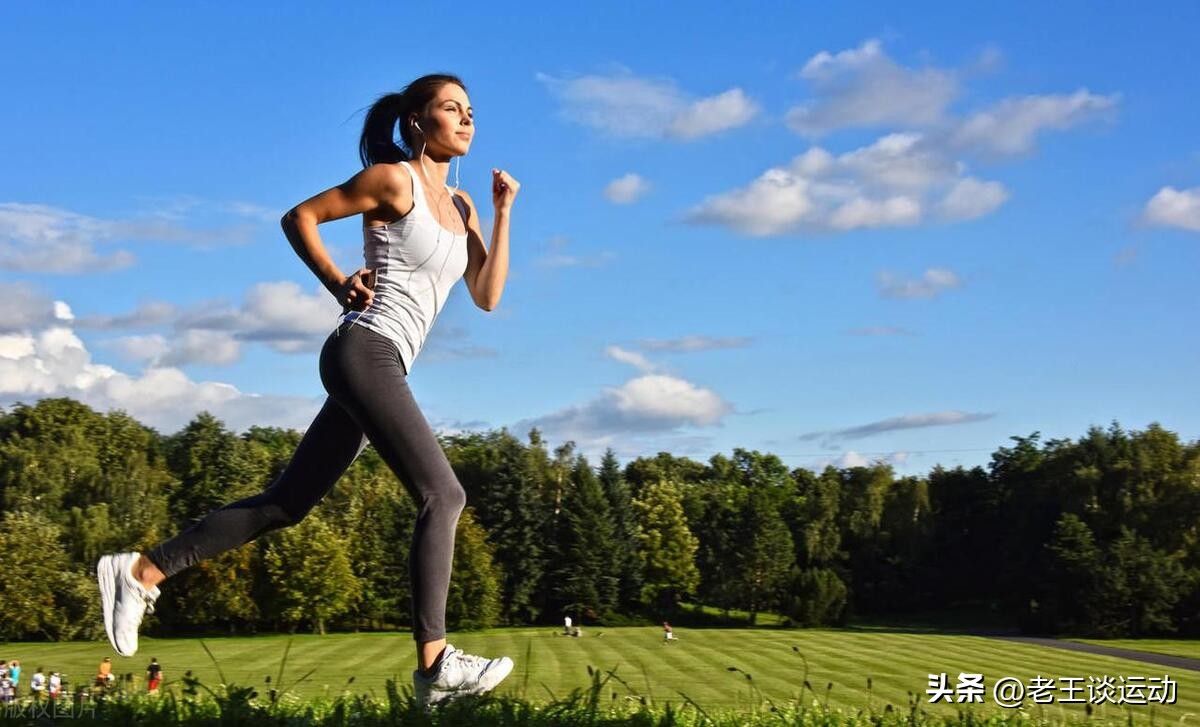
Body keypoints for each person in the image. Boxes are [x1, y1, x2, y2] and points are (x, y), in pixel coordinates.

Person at [95, 73, 518, 710]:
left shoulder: (461, 209)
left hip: (384, 364)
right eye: (451, 109)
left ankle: (140, 571)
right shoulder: (393, 179)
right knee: (444, 493)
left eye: (471, 112)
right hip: (363, 349)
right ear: (415, 122)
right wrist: (334, 280)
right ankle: (435, 665)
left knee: (286, 504)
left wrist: (503, 212)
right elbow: (301, 217)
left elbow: (486, 296)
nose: (466, 120)